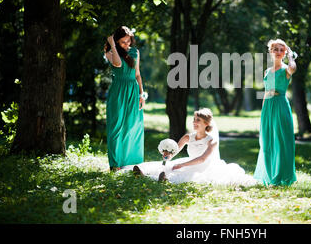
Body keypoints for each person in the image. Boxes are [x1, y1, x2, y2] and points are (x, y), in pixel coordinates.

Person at [125, 108, 257, 186]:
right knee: (167, 166)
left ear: (206, 124)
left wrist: (183, 165)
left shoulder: (211, 141)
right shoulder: (188, 137)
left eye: (198, 120)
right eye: (194, 119)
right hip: (188, 162)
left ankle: (161, 179)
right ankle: (144, 174)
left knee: (184, 174)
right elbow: (175, 151)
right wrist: (168, 155)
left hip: (203, 167)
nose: (194, 122)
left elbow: (202, 159)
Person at [253, 39, 297, 186]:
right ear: (270, 52)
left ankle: (282, 176)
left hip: (280, 105)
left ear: (284, 53)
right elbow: (266, 92)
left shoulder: (286, 69)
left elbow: (293, 67)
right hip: (268, 107)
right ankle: (268, 175)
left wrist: (291, 55)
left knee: (281, 141)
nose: (278, 52)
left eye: (281, 50)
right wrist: (263, 112)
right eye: (275, 49)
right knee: (266, 142)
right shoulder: (267, 71)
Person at [104, 26, 146, 171]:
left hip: (133, 90)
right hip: (118, 90)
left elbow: (138, 74)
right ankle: (115, 165)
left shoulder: (135, 52)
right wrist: (113, 46)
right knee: (116, 127)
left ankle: (132, 164)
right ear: (116, 41)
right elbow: (118, 64)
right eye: (123, 42)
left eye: (129, 41)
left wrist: (142, 94)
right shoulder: (110, 53)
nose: (127, 44)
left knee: (133, 126)